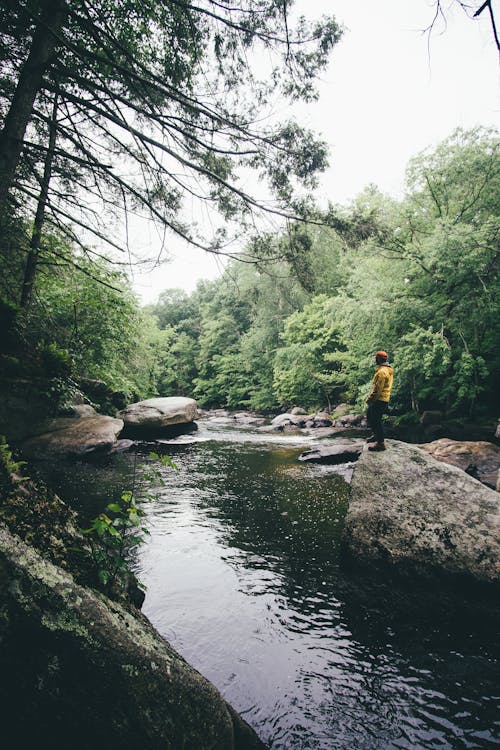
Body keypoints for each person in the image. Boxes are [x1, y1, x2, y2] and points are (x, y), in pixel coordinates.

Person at [365, 350, 393, 451]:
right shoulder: (386, 369)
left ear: (378, 359)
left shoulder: (382, 372)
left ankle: (380, 443)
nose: (374, 359)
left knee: (376, 421)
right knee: (369, 415)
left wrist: (370, 399)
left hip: (380, 399)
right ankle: (376, 435)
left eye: (376, 357)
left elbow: (378, 389)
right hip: (383, 398)